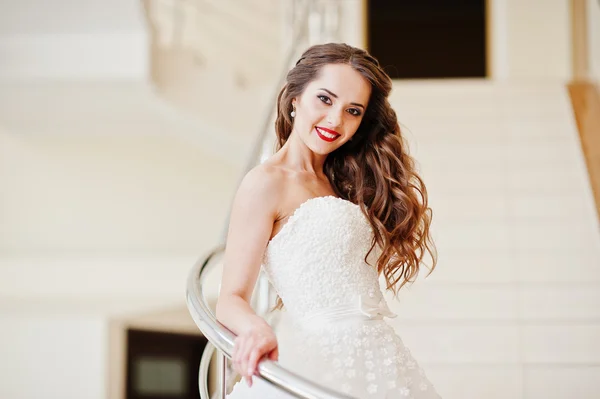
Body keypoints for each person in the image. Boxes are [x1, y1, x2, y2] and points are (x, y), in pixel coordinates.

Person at [215, 42, 440, 398]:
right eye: (325, 99)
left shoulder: (344, 181)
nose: (336, 120)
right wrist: (255, 329)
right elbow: (230, 298)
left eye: (353, 110)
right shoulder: (265, 183)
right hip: (320, 359)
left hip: (380, 356)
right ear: (294, 98)